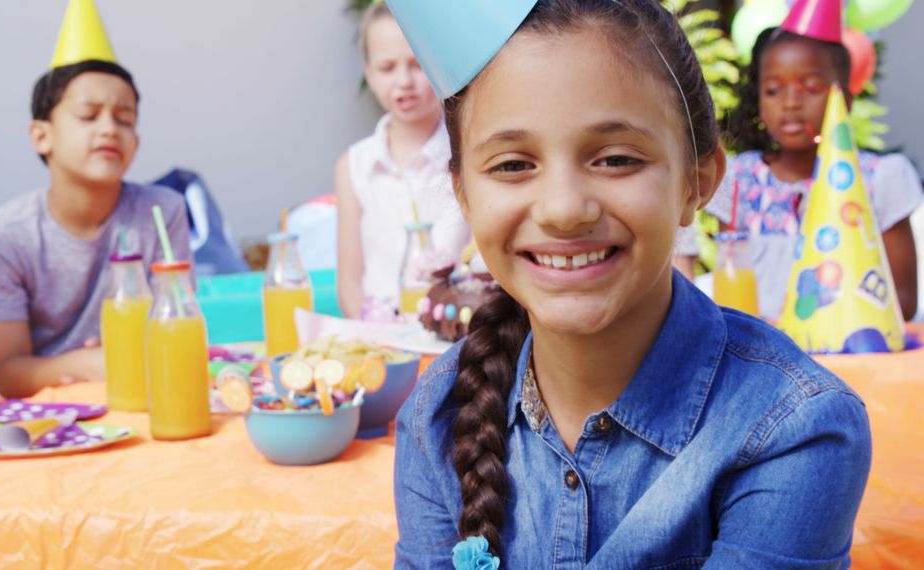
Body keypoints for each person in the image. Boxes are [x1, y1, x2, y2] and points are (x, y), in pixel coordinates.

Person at [388, 0, 871, 566]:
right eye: (513, 165)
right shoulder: (436, 416)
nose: (565, 210)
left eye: (616, 159)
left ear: (698, 181)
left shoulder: (793, 428)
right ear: (464, 193)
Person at [0, 1, 190, 403]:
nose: (109, 129)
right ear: (41, 135)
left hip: (128, 386)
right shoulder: (1, 238)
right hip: (20, 401)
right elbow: (9, 371)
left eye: (124, 118)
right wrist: (84, 365)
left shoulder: (162, 213)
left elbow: (173, 323)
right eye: (88, 115)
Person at [700, 20, 921, 321]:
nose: (790, 103)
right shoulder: (739, 180)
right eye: (774, 90)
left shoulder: (879, 180)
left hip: (850, 359)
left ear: (844, 99)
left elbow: (903, 302)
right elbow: (731, 287)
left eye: (812, 87)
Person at [335, 2, 470, 320]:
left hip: (453, 335)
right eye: (387, 67)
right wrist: (373, 336)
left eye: (417, 64)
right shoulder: (353, 165)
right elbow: (350, 281)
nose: (404, 81)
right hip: (381, 340)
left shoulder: (467, 154)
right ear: (368, 72)